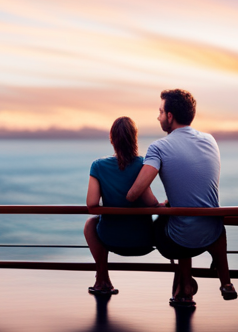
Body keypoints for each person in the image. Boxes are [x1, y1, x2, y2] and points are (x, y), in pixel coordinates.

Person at [126, 89, 236, 307]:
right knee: (201, 218)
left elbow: (134, 194)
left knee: (167, 222)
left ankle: (185, 284)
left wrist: (161, 203)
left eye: (160, 112)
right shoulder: (210, 140)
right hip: (212, 235)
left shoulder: (159, 147)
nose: (158, 117)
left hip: (180, 241)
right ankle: (226, 282)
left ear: (170, 116)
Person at [84, 116, 160, 295]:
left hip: (110, 239)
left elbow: (92, 203)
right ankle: (182, 285)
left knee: (90, 225)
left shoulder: (98, 166)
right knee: (169, 221)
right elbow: (151, 202)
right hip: (143, 240)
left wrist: (112, 198)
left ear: (111, 138)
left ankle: (102, 278)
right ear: (135, 138)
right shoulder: (143, 164)